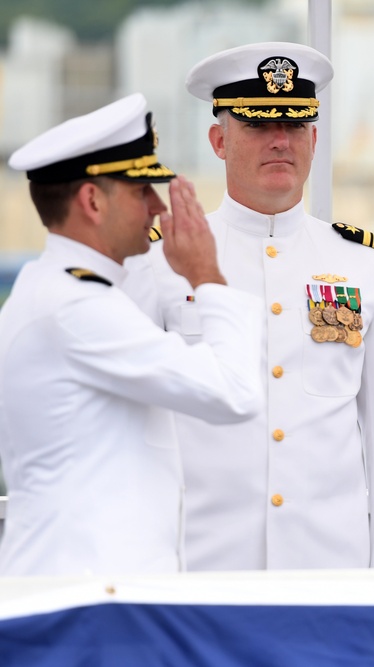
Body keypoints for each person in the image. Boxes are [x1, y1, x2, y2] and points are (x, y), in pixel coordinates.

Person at [122, 42, 374, 570]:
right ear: (219, 140)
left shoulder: (368, 267)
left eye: (295, 125)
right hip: (201, 576)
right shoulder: (158, 259)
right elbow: (129, 430)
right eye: (258, 126)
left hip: (330, 578)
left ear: (315, 138)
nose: (280, 140)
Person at [0, 94, 264, 576]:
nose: (157, 206)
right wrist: (207, 276)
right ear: (92, 200)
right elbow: (236, 394)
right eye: (141, 189)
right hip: (84, 611)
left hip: (91, 602)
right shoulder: (75, 306)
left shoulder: (57, 290)